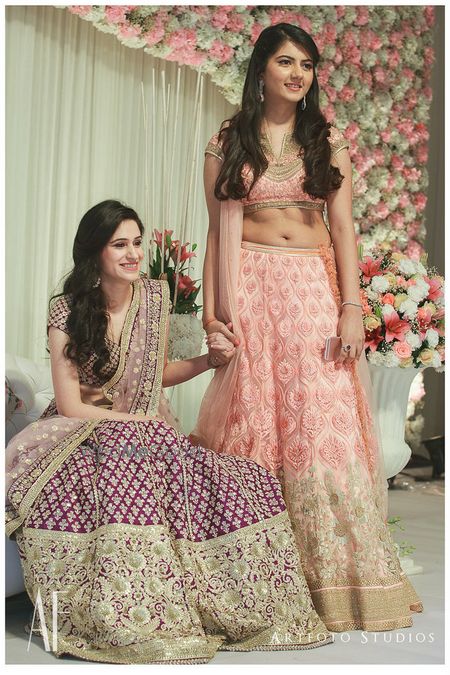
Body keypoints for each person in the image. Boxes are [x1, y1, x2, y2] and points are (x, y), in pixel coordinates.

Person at [5, 199, 332, 664]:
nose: (133, 253)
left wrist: (207, 362)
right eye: (120, 244)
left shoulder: (153, 300)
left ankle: (229, 603)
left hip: (144, 435)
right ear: (94, 252)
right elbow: (73, 404)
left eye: (137, 242)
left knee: (240, 477)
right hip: (75, 435)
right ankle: (132, 614)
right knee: (130, 452)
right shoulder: (67, 310)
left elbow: (155, 374)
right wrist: (135, 424)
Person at [192, 23, 423, 632]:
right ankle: (260, 576)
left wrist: (353, 308)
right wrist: (216, 312)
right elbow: (220, 231)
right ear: (261, 69)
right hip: (253, 289)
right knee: (259, 421)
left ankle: (340, 581)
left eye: (307, 65)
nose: (298, 74)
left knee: (320, 424)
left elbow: (344, 229)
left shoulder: (326, 139)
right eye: (286, 62)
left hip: (311, 289)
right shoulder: (228, 139)